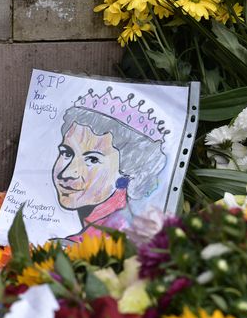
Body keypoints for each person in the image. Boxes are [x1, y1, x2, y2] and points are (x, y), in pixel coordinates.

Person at [52, 87, 169, 241]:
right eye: (67, 153)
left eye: (92, 160)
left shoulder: (92, 246)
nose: (66, 173)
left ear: (128, 174)